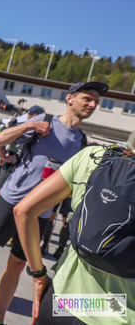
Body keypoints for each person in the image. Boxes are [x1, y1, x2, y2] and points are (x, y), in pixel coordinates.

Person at [0, 81, 108, 325]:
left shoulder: (81, 141)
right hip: (12, 200)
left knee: (17, 265)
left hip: (40, 213)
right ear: (70, 99)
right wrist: (29, 125)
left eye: (96, 102)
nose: (92, 104)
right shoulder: (44, 121)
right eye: (87, 98)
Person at [14, 130, 135, 325]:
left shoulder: (95, 157)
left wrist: (38, 275)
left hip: (64, 300)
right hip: (120, 315)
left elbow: (23, 211)